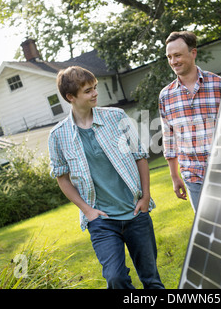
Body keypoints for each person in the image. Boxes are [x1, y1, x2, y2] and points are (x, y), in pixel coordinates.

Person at [48, 66, 164, 289]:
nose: (94, 94)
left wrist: (145, 197)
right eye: (88, 91)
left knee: (151, 279)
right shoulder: (57, 136)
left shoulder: (116, 117)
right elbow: (62, 179)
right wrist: (87, 210)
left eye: (95, 88)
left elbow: (140, 157)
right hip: (102, 221)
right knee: (115, 278)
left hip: (135, 211)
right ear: (71, 97)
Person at [159, 31, 221, 213]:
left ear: (193, 53)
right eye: (170, 57)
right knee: (208, 233)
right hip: (193, 177)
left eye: (178, 55)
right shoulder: (166, 96)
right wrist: (175, 176)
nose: (173, 61)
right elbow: (169, 139)